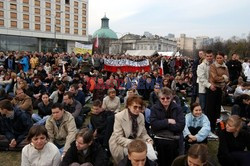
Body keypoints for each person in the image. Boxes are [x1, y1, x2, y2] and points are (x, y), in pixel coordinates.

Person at [109, 95, 153, 165]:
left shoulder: (141, 116)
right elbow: (118, 137)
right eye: (135, 107)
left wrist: (148, 139)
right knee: (133, 155)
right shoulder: (119, 116)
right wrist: (133, 144)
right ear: (129, 106)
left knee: (147, 154)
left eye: (140, 107)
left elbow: (143, 133)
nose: (138, 109)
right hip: (121, 143)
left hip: (136, 140)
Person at [150, 87, 185, 166]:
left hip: (175, 137)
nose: (165, 100)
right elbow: (154, 125)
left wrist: (162, 125)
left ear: (171, 97)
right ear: (159, 98)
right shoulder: (154, 108)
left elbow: (180, 126)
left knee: (174, 155)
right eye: (163, 98)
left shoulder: (177, 108)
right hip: (160, 137)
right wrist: (168, 121)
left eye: (168, 98)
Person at [206, 52, 229, 132]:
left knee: (217, 108)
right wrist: (223, 78)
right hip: (212, 89)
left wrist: (224, 79)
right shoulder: (213, 66)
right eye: (217, 58)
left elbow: (228, 77)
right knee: (210, 109)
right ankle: (210, 126)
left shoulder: (225, 67)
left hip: (220, 89)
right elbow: (215, 77)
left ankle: (216, 125)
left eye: (220, 58)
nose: (219, 59)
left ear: (223, 58)